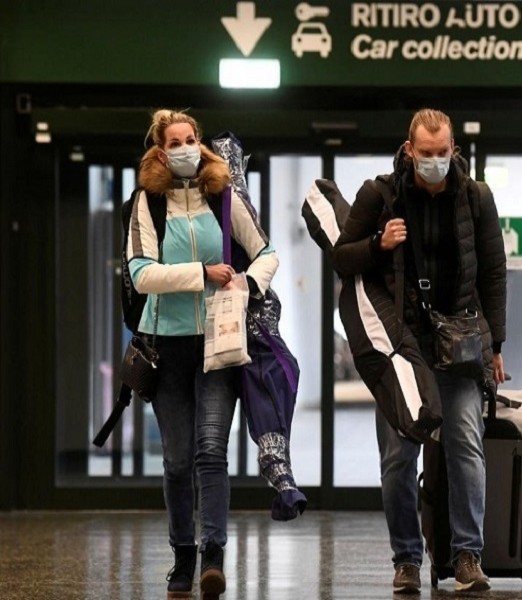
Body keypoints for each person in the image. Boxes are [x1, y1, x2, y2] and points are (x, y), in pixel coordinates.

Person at [333, 108, 507, 593]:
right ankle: (407, 560)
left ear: (455, 149)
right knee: (398, 457)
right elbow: (341, 259)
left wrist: (498, 346)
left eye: (443, 153)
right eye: (426, 154)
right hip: (400, 348)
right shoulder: (380, 194)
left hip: (461, 343)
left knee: (466, 448)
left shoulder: (476, 197)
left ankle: (467, 557)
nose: (435, 162)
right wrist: (377, 242)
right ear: (410, 151)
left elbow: (494, 272)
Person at [127, 109, 278, 600]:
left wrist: (247, 281)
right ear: (160, 151)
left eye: (192, 139)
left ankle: (213, 554)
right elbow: (141, 274)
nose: (187, 147)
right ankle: (182, 555)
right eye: (176, 142)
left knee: (211, 453)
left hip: (219, 342)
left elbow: (267, 252)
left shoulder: (223, 195)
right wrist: (202, 272)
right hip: (166, 348)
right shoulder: (146, 204)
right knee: (176, 461)